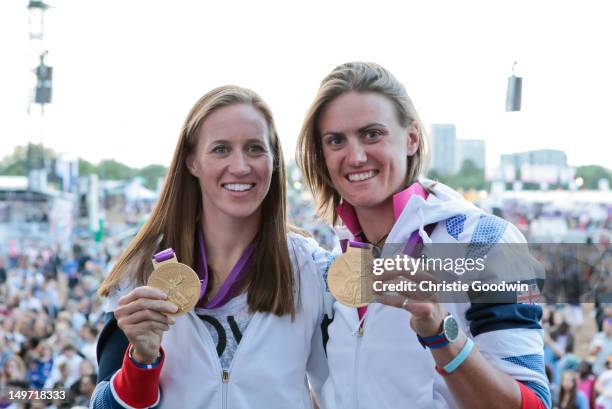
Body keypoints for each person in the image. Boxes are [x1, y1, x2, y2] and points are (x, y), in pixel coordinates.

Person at [296, 61, 550, 409]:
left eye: (372, 134)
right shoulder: (334, 265)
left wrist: (439, 332)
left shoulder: (486, 241)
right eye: (336, 140)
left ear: (411, 138)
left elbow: (535, 404)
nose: (355, 156)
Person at [91, 86, 328, 409]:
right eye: (221, 149)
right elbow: (103, 406)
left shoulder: (309, 267)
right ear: (192, 161)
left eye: (255, 148)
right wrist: (141, 360)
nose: (241, 166)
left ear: (274, 162)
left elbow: (357, 382)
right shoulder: (140, 272)